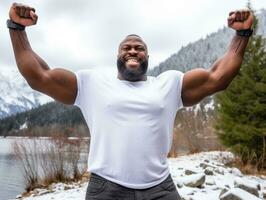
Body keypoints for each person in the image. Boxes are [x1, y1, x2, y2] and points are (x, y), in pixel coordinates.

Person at [8, 3, 254, 200]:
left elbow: (217, 78)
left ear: (148, 56)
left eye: (139, 48)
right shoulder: (91, 84)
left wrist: (241, 35)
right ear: (118, 55)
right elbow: (39, 76)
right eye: (127, 47)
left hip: (160, 188)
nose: (133, 51)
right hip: (106, 189)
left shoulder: (169, 83)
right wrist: (16, 29)